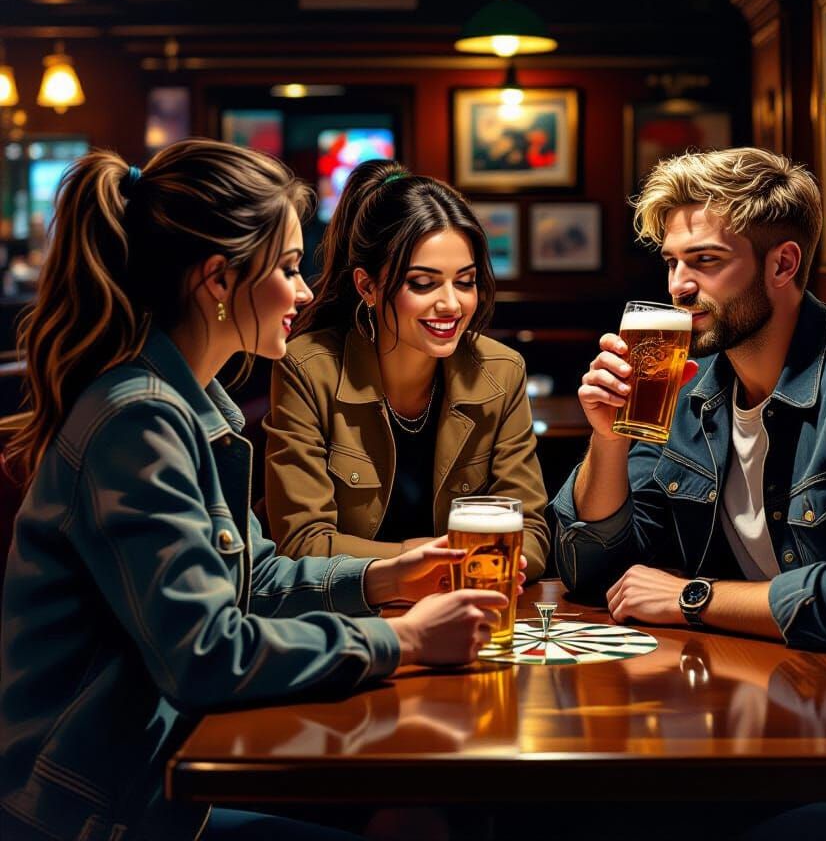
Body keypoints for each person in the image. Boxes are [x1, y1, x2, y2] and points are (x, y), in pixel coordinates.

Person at [0, 140, 511, 841]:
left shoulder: (187, 400)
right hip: (89, 816)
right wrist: (404, 640)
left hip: (148, 795)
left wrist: (384, 576)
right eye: (291, 267)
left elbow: (253, 575)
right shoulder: (139, 418)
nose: (304, 292)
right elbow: (206, 654)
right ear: (218, 279)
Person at [553, 146, 826, 663]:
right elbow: (592, 573)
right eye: (672, 262)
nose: (679, 286)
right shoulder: (690, 385)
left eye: (705, 261)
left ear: (782, 264)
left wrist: (691, 597)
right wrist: (608, 441)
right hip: (752, 675)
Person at [264, 160, 549, 579]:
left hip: (469, 607)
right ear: (368, 287)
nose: (451, 304)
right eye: (423, 283)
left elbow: (533, 536)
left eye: (465, 281)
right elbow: (302, 542)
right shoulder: (308, 368)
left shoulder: (502, 371)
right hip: (351, 619)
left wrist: (477, 563)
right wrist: (416, 558)